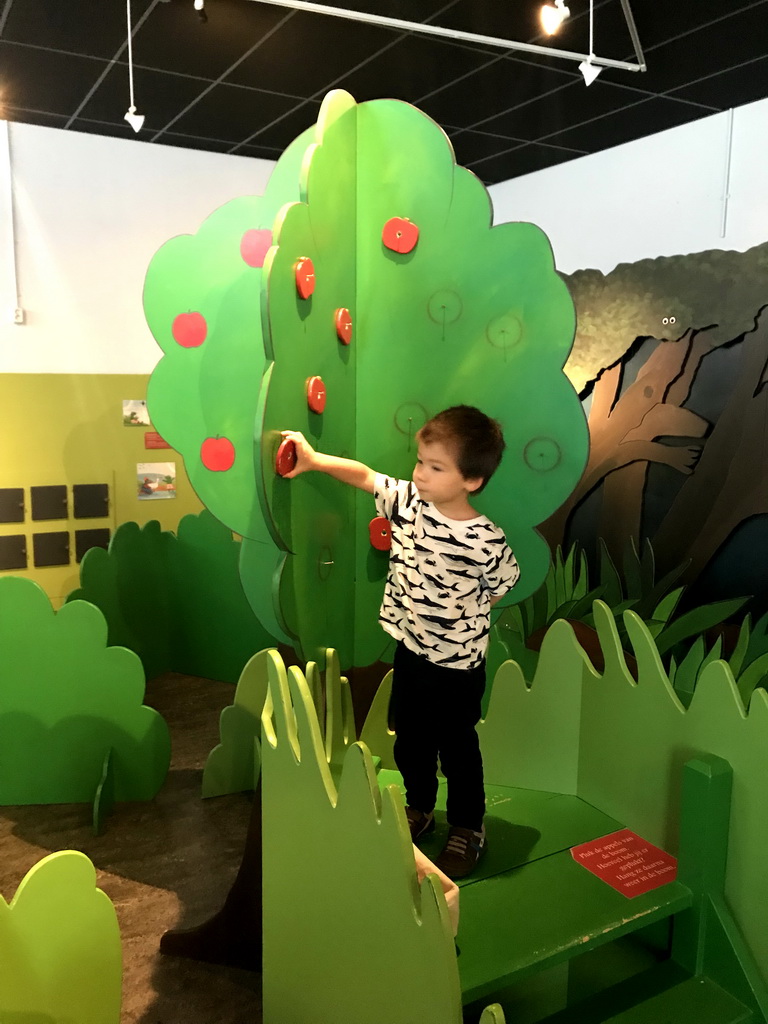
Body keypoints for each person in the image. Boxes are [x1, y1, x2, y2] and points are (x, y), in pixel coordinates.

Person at [281, 405, 519, 878]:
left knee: (457, 748)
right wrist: (313, 459)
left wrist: (462, 614)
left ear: (472, 480)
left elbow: (502, 584)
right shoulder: (408, 502)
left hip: (457, 667)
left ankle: (469, 826)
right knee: (411, 739)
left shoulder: (486, 540)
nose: (421, 475)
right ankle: (420, 807)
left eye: (436, 467)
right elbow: (367, 476)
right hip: (410, 651)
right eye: (420, 462)